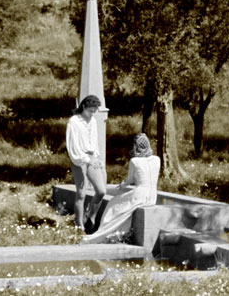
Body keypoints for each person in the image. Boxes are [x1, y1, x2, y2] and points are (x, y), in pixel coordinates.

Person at [81, 133, 160, 244]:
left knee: (113, 203)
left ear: (135, 147)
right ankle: (119, 233)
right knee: (122, 203)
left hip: (140, 195)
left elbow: (129, 180)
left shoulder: (135, 161)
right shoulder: (157, 159)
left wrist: (122, 185)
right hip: (152, 196)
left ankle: (103, 231)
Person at [66, 95, 107, 233]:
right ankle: (79, 225)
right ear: (84, 107)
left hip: (91, 158)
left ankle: (91, 217)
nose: (92, 113)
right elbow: (73, 147)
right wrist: (85, 159)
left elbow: (94, 142)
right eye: (91, 110)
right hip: (79, 160)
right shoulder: (73, 122)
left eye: (94, 111)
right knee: (81, 193)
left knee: (101, 191)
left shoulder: (93, 121)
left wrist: (96, 158)